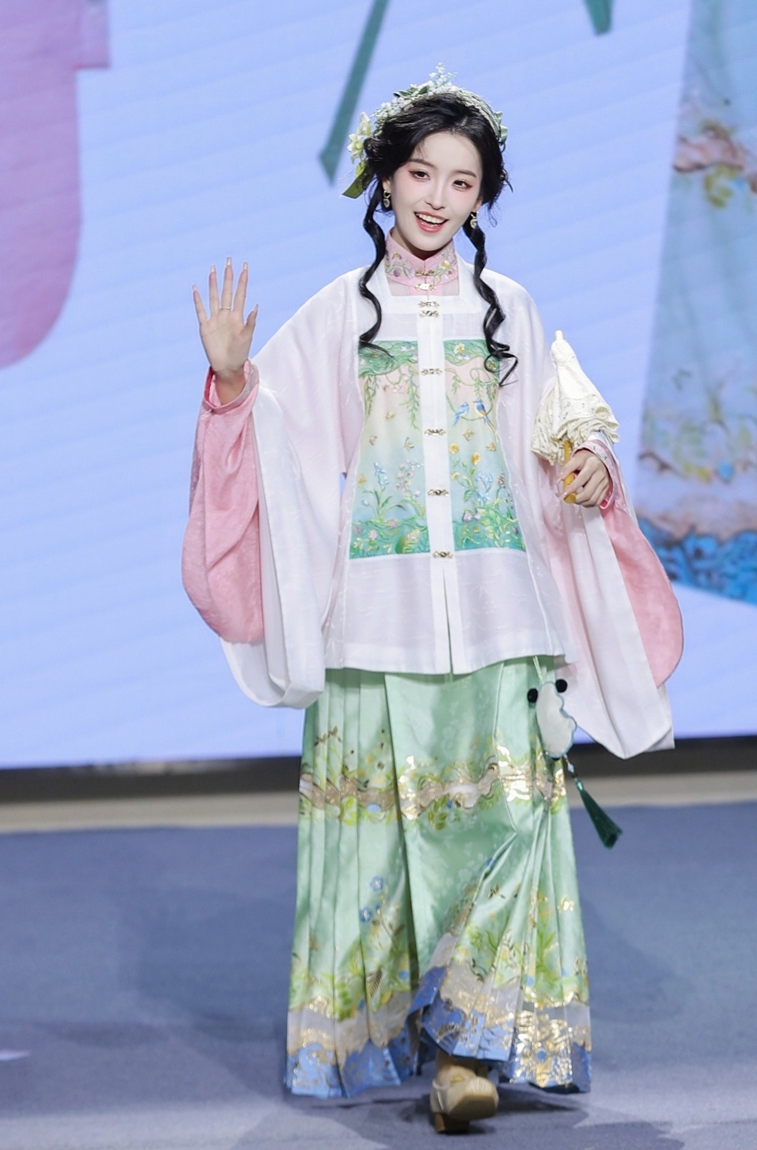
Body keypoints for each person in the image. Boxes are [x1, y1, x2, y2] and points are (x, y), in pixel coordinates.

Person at [182, 67, 682, 1133]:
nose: (436, 197)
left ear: (481, 198)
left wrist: (586, 462)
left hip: (503, 619)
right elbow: (274, 442)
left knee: (507, 828)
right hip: (376, 629)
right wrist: (230, 384)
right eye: (419, 172)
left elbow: (568, 421)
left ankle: (468, 1047)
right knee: (390, 842)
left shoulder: (510, 311)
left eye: (461, 181)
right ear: (384, 178)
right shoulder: (333, 317)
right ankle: (398, 1037)